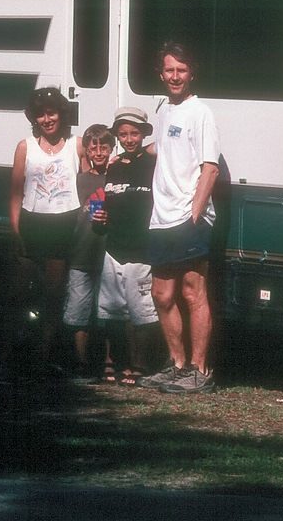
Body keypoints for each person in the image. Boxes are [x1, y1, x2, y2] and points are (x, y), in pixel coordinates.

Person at [139, 43, 220, 395]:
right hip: (161, 217)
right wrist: (125, 154)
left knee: (192, 292)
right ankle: (176, 365)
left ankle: (200, 371)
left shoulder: (200, 112)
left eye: (181, 70)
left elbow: (210, 167)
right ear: (161, 74)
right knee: (161, 294)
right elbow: (164, 149)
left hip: (188, 217)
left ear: (192, 74)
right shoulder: (164, 110)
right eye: (169, 70)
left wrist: (195, 213)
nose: (175, 76)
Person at [8, 86, 81, 374]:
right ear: (34, 119)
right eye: (40, 115)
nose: (47, 119)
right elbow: (15, 192)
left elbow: (90, 182)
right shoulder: (25, 146)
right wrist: (16, 232)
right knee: (18, 295)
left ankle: (42, 357)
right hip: (32, 224)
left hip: (63, 225)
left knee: (53, 296)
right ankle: (8, 356)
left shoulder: (77, 145)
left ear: (61, 115)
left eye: (51, 113)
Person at [92, 107, 161, 385]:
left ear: (144, 134)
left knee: (141, 311)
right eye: (123, 134)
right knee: (110, 310)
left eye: (134, 133)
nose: (129, 139)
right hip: (114, 246)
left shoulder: (155, 161)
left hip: (141, 248)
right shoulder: (115, 165)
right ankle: (113, 362)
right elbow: (107, 198)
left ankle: (139, 365)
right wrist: (100, 215)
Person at [63, 123, 115, 381]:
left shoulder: (118, 176)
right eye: (93, 147)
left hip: (109, 253)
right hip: (81, 253)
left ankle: (109, 362)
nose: (98, 152)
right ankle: (81, 362)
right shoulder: (79, 180)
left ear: (111, 148)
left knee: (107, 313)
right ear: (86, 151)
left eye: (104, 147)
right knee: (78, 312)